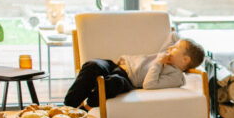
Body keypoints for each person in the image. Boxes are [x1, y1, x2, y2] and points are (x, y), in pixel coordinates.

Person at [63, 36, 205, 109]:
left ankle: (85, 108)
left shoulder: (176, 77)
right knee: (93, 65)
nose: (171, 47)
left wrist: (159, 63)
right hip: (116, 65)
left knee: (114, 83)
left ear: (185, 60)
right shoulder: (167, 52)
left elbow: (149, 84)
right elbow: (173, 35)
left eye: (176, 48)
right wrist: (179, 45)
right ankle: (67, 107)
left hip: (127, 80)